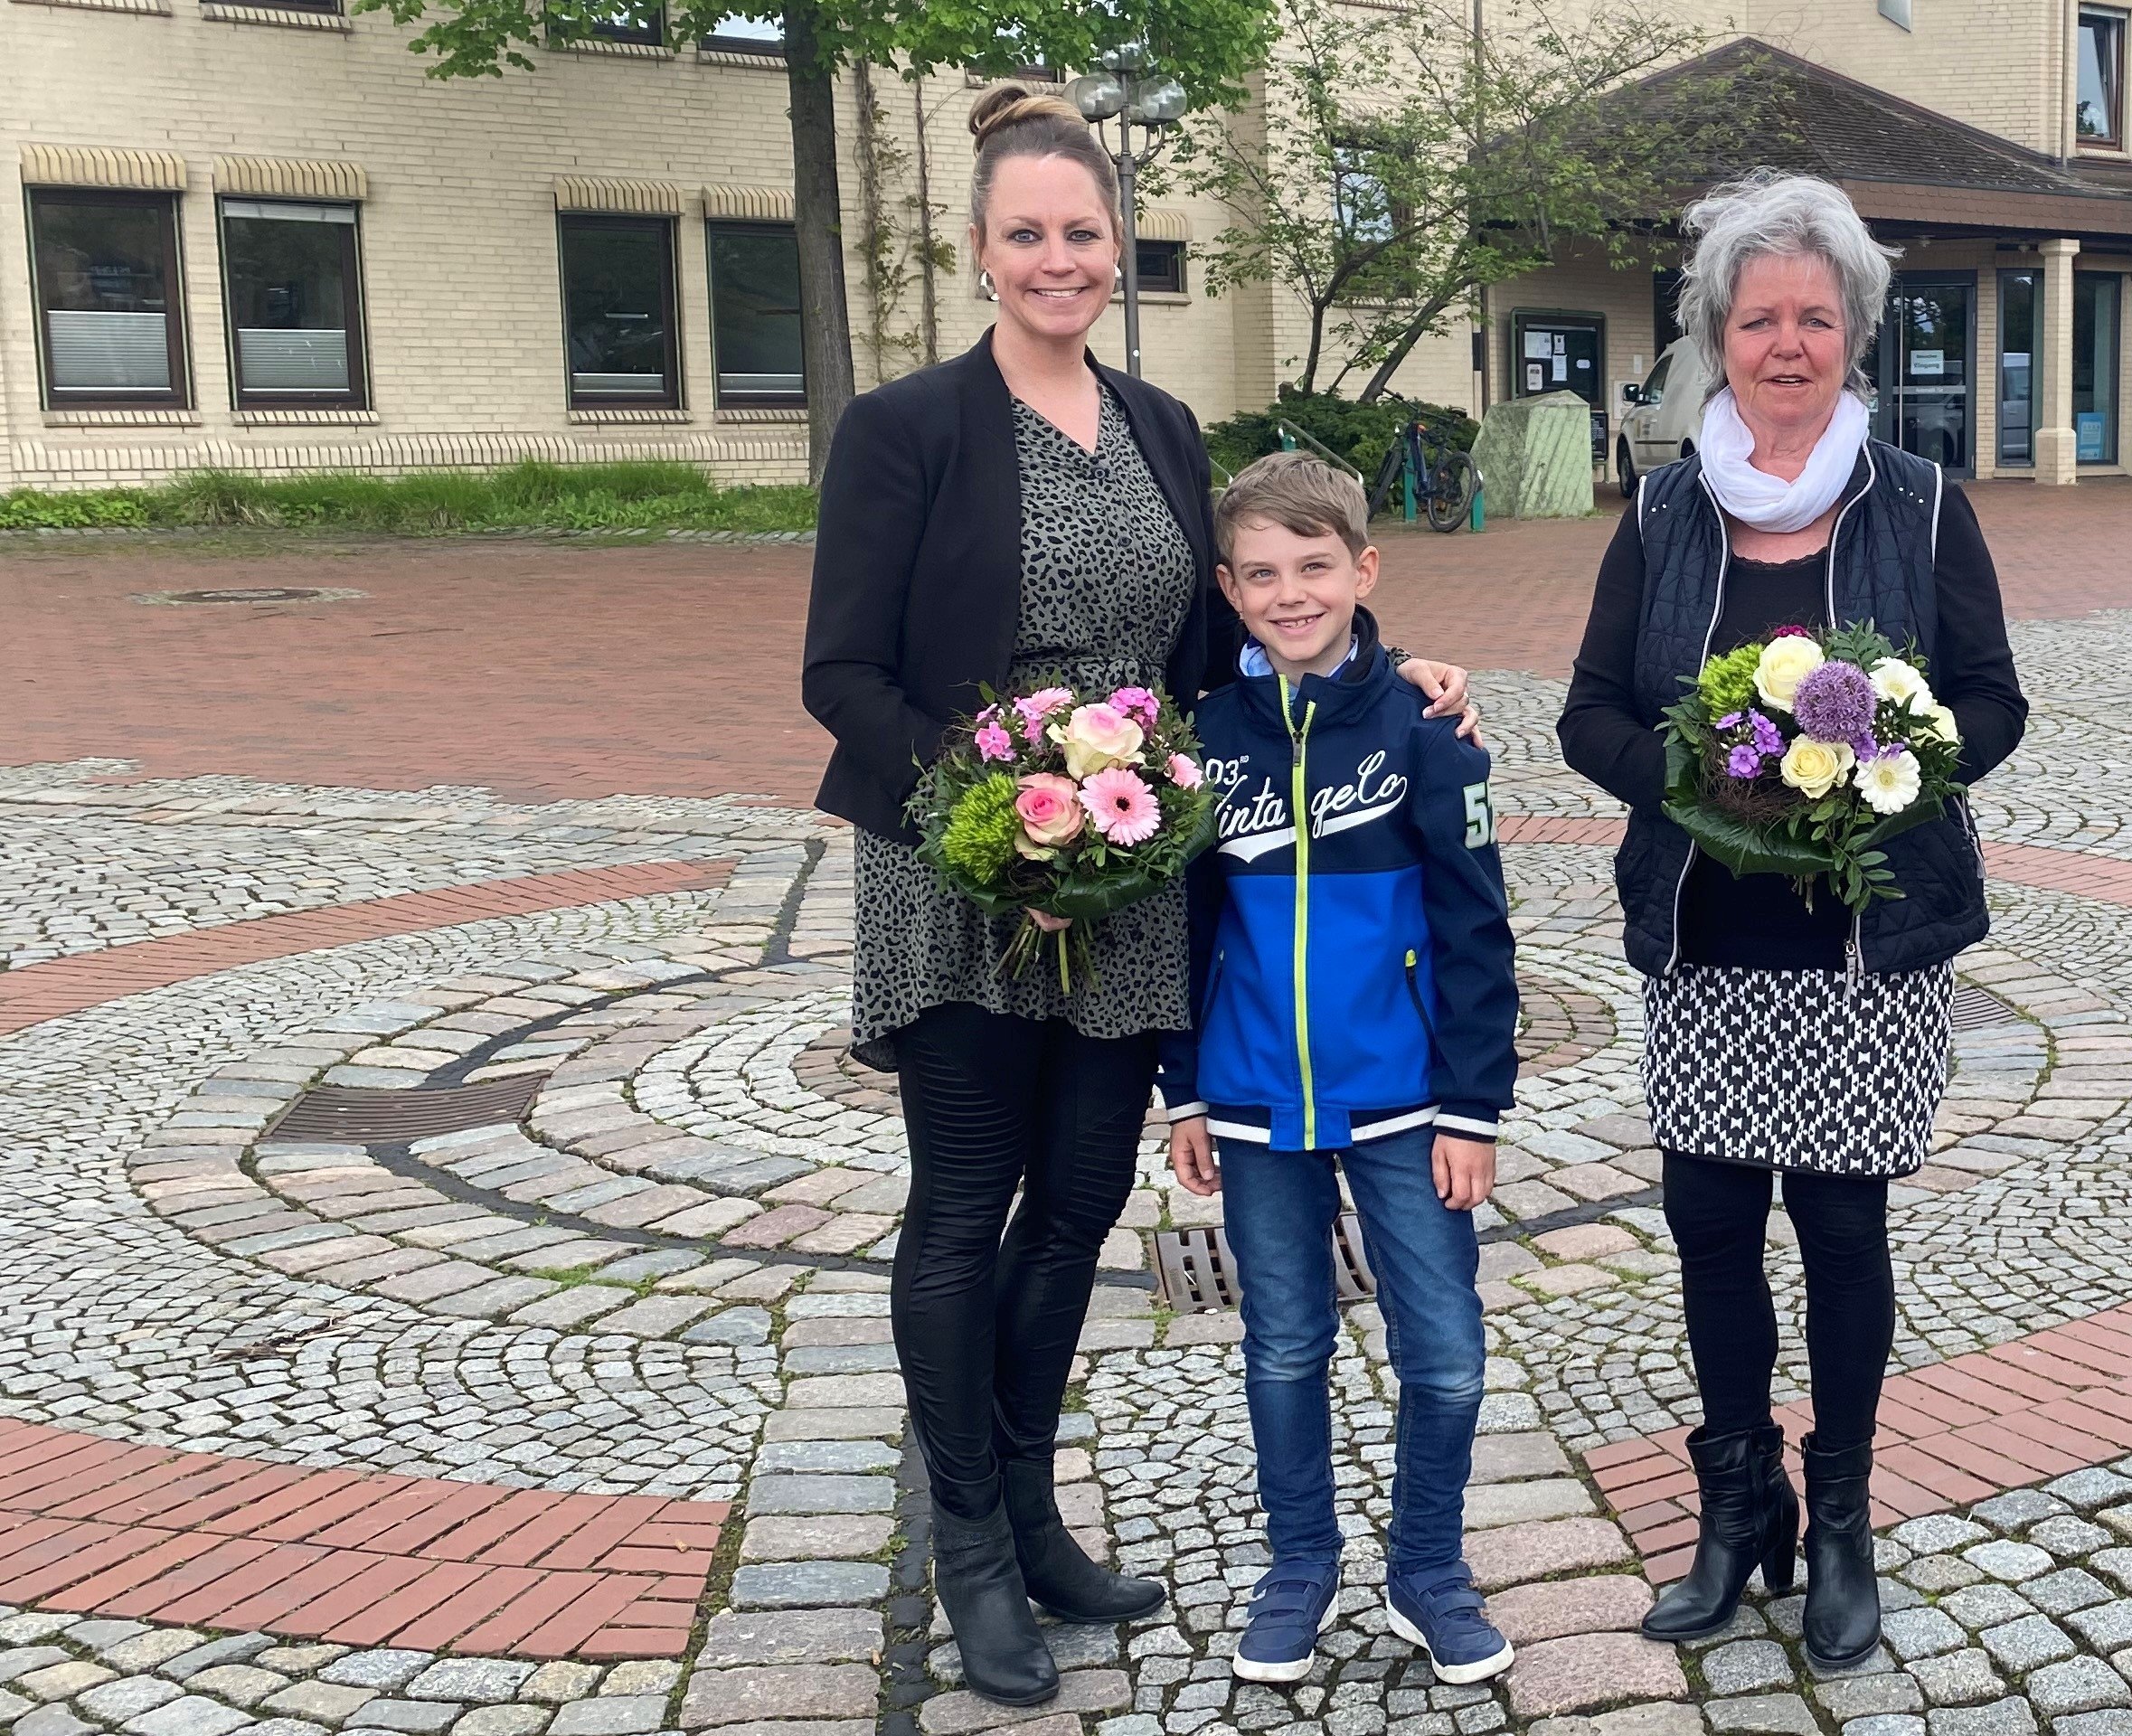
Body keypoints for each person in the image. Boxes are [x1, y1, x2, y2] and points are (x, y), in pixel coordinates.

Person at [799, 89, 1474, 1707]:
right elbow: (844, 675)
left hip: (1125, 870)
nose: (1059, 259)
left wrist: (1389, 675)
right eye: (1026, 233)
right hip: (963, 879)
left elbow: (1229, 634)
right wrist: (995, 829)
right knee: (967, 1206)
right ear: (979, 250)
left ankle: (1035, 1513)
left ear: (1117, 248)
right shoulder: (907, 429)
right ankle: (971, 1543)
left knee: (1080, 1204)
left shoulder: (1163, 427)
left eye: (1084, 233)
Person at [1557, 170, 2029, 1672]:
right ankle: (1735, 1503)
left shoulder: (1922, 505)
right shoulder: (1667, 512)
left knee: (1838, 1232)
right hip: (1707, 939)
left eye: (1815, 319)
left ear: (1855, 335)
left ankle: (1840, 1526)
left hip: (1862, 947)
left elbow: (1993, 701)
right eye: (1758, 319)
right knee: (1708, 1229)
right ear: (1717, 335)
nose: (1786, 345)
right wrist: (1705, 786)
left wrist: (1895, 768)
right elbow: (1588, 713)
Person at [1158, 451, 1524, 1689]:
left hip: (1410, 1103)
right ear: (1228, 587)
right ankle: (1299, 1567)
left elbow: (1477, 928)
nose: (1290, 594)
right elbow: (1181, 927)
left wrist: (1473, 1106)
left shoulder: (1427, 730)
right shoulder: (1202, 741)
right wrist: (1186, 1088)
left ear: (1363, 570)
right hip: (1252, 1097)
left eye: (1314, 567)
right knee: (1282, 1347)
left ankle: (1428, 1569)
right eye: (1261, 574)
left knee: (1447, 1353)